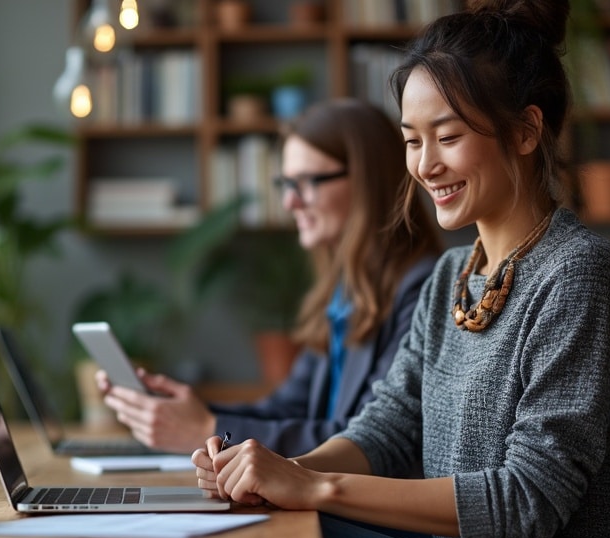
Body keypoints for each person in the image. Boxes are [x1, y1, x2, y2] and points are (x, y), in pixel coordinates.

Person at [193, 1, 610, 538]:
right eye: (413, 141)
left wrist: (314, 488)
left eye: (448, 136)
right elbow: (388, 429)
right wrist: (277, 473)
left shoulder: (579, 274)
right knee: (265, 525)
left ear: (526, 131)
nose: (425, 165)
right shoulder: (450, 278)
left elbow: (529, 499)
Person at [96, 99, 442, 457]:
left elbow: (366, 442)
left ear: (369, 180)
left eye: (307, 182)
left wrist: (207, 430)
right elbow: (287, 409)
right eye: (286, 183)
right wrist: (186, 411)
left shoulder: (422, 290)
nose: (290, 202)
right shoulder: (344, 292)